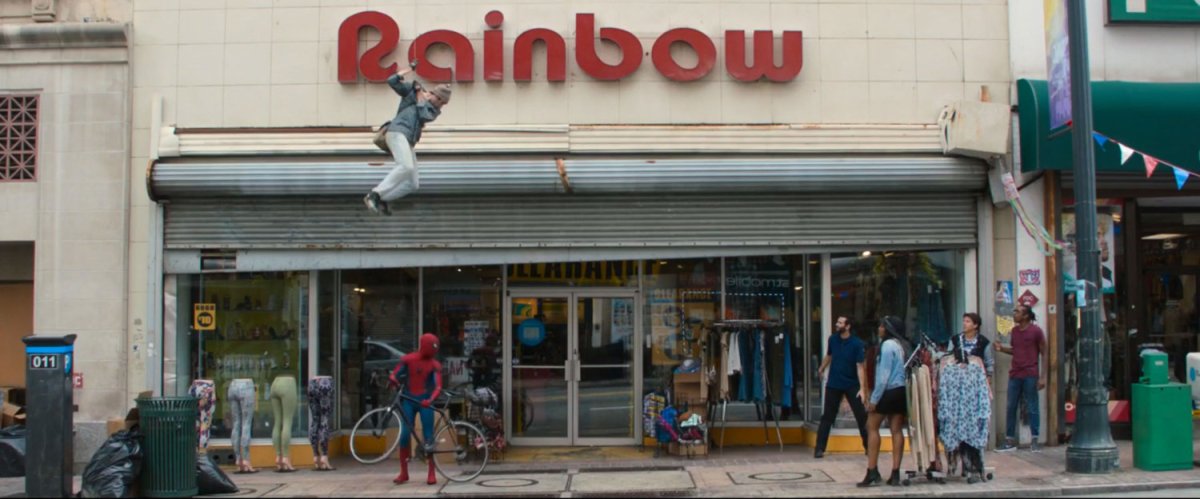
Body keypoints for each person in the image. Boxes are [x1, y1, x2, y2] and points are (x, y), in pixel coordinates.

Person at [363, 61, 452, 215]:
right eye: (441, 101)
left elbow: (423, 113)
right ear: (435, 95)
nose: (441, 106)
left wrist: (419, 95)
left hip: (408, 140)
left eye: (443, 104)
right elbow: (391, 81)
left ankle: (383, 198)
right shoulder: (412, 90)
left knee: (413, 184)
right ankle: (375, 194)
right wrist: (408, 70)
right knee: (406, 167)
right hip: (397, 131)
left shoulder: (433, 111)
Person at [388, 333, 444, 485]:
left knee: (428, 437)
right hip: (409, 400)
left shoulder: (434, 365)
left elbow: (438, 386)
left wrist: (430, 399)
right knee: (405, 434)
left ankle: (431, 472)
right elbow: (395, 373)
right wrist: (393, 379)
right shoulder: (409, 359)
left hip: (425, 401)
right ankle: (404, 472)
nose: (434, 350)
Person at [859, 316, 908, 488]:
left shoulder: (886, 346)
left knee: (871, 426)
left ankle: (872, 470)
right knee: (896, 430)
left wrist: (874, 400)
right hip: (900, 390)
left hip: (888, 391)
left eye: (882, 326)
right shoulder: (900, 345)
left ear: (888, 329)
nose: (879, 328)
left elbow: (883, 376)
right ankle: (895, 473)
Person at [814, 316, 869, 459]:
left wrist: (862, 389)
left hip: (852, 384)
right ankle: (819, 448)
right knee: (827, 416)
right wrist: (821, 368)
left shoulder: (857, 344)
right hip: (834, 383)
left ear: (848, 326)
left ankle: (869, 446)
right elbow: (829, 355)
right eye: (837, 322)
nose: (837, 324)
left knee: (861, 416)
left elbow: (860, 367)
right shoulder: (832, 339)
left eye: (840, 323)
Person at [994, 304, 1046, 452]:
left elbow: (1044, 352)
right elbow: (1015, 350)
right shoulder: (1015, 331)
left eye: (1017, 311)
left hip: (1030, 373)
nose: (1014, 313)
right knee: (1011, 406)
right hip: (1015, 374)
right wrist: (1002, 348)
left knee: (1032, 406)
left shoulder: (1036, 331)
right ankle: (1009, 440)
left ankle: (1034, 439)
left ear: (1026, 316)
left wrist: (1043, 377)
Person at [949, 312, 995, 386]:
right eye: (964, 321)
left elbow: (989, 362)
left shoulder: (983, 342)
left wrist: (988, 377)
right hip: (957, 379)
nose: (964, 323)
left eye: (967, 321)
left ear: (975, 325)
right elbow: (948, 357)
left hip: (976, 380)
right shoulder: (955, 340)